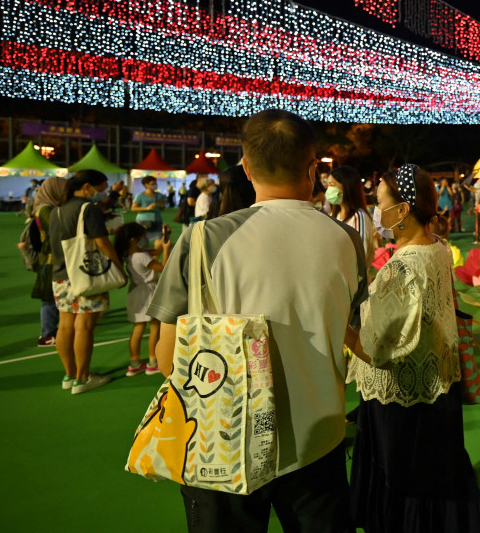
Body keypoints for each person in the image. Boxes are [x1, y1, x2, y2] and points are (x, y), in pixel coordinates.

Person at [149, 109, 365, 533]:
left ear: (246, 167)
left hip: (221, 444)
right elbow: (350, 327)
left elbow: (168, 358)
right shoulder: (347, 239)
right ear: (312, 167)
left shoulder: (200, 240)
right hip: (317, 439)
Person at [346, 164, 480, 533]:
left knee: (405, 483)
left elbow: (375, 350)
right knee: (438, 474)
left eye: (381, 203)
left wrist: (341, 329)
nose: (378, 213)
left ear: (403, 210)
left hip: (402, 400)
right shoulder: (439, 248)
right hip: (437, 388)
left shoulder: (403, 268)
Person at [50, 169, 124, 394]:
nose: (99, 194)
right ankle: (83, 378)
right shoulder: (88, 209)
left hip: (60, 275)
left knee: (64, 325)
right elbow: (102, 243)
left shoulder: (56, 211)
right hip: (86, 274)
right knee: (84, 326)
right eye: (99, 189)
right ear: (87, 187)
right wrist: (118, 266)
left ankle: (69, 374)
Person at [114, 221, 171, 376]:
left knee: (137, 329)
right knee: (154, 328)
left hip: (135, 293)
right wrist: (166, 250)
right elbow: (164, 268)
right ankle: (153, 362)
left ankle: (134, 363)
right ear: (134, 239)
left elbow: (153, 251)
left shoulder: (130, 253)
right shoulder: (141, 256)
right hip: (149, 292)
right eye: (142, 237)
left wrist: (165, 237)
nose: (145, 239)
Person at [30, 177, 67, 347]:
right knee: (49, 299)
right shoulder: (45, 210)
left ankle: (50, 331)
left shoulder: (49, 207)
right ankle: (47, 335)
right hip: (50, 261)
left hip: (52, 259)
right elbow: (57, 230)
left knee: (52, 298)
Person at [327, 165, 374, 259]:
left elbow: (360, 254)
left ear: (346, 187)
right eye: (328, 185)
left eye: (332, 185)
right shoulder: (334, 215)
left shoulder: (358, 217)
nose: (328, 189)